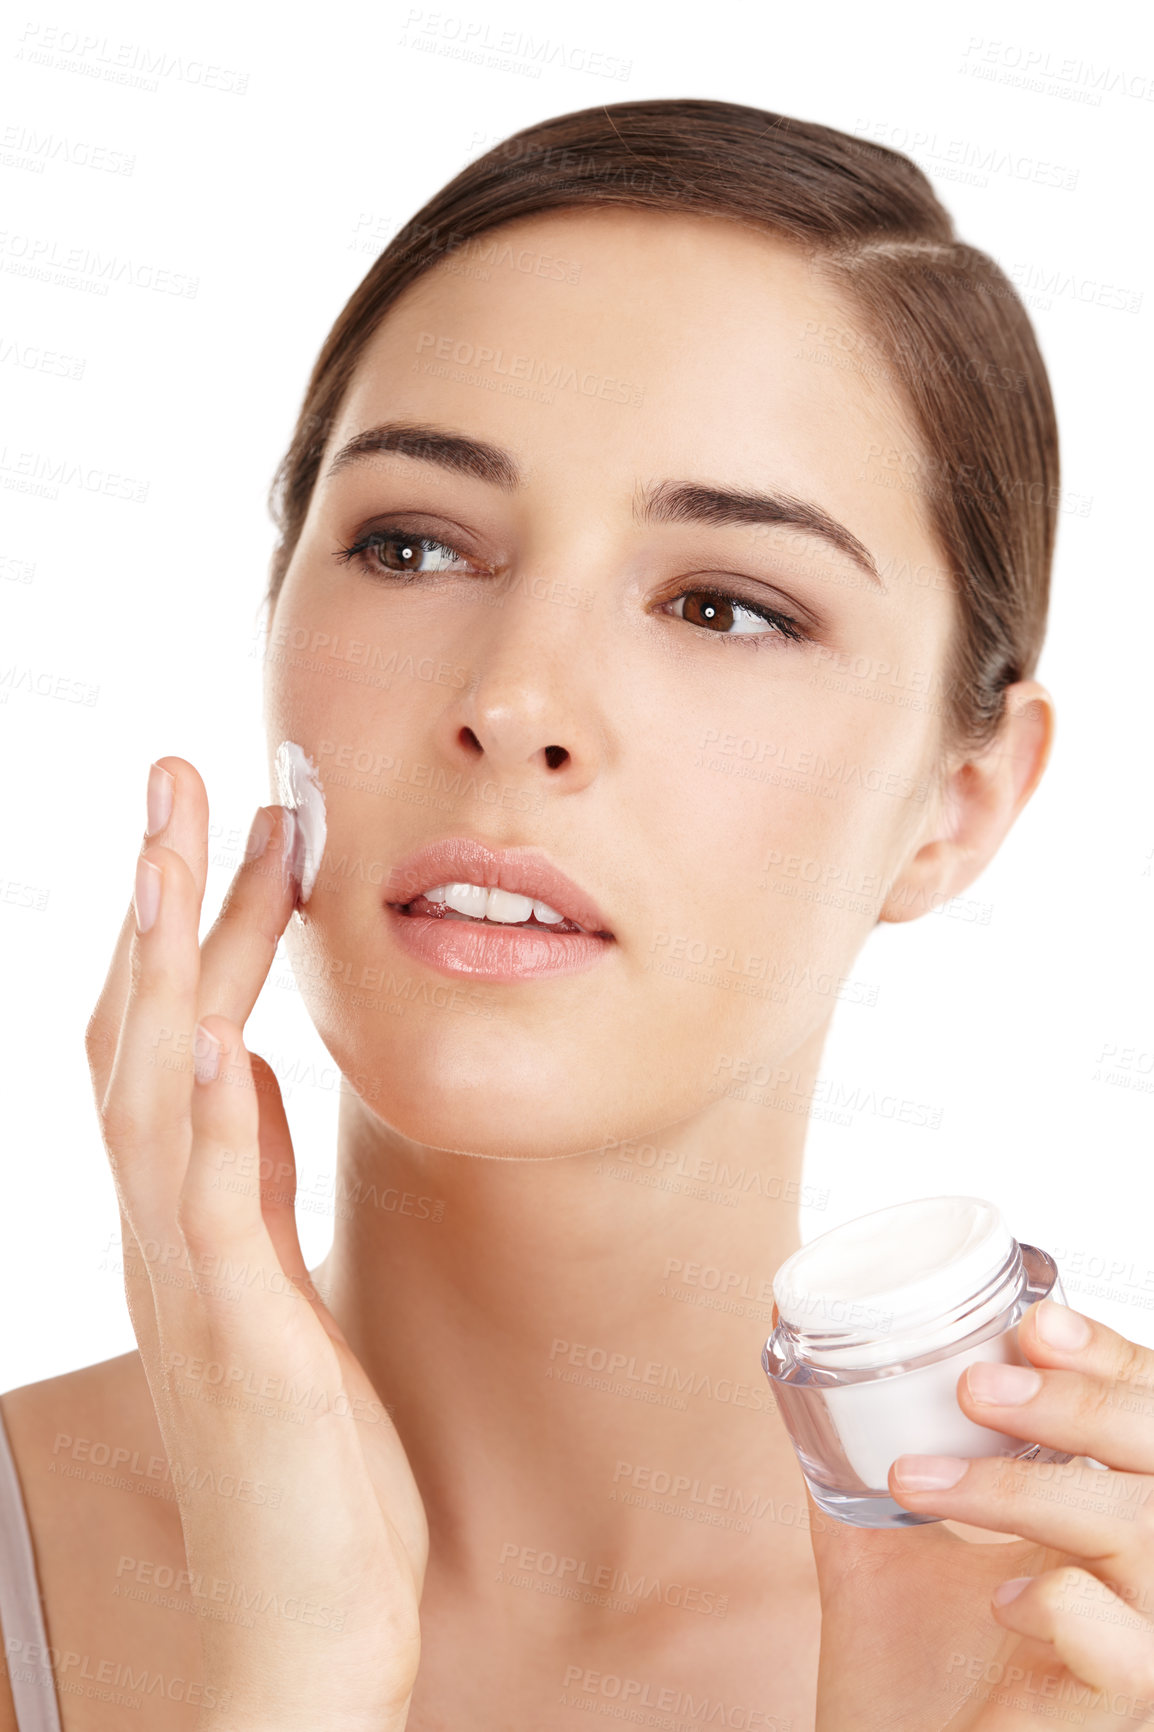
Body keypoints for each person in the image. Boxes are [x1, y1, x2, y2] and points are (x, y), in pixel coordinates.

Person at [3, 98, 1152, 1732]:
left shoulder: (1089, 1651)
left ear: (958, 803)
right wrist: (304, 1663)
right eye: (411, 544)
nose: (517, 698)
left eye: (722, 605)